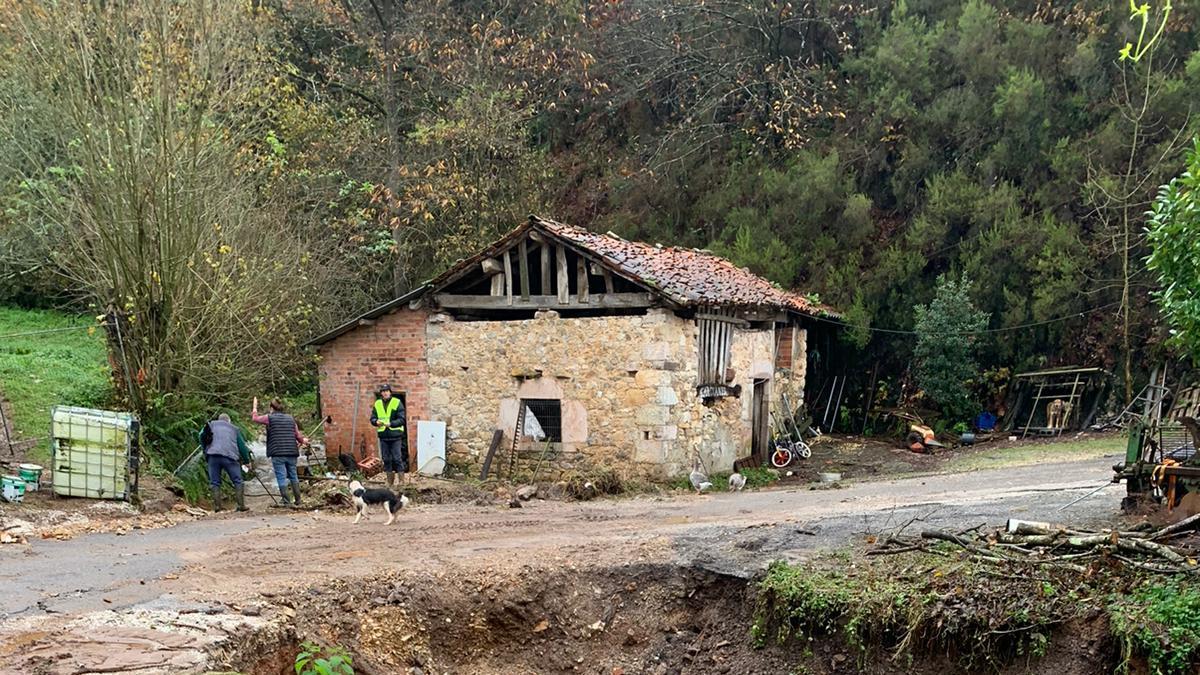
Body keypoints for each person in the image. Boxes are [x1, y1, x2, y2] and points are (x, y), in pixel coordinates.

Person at [252, 397, 308, 508]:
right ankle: (298, 500)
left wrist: (254, 407)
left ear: (271, 408)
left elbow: (255, 419)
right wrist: (303, 441)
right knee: (293, 476)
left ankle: (287, 501)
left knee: (281, 477)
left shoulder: (269, 418)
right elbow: (297, 435)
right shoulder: (291, 419)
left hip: (278, 453)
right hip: (292, 452)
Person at [198, 413, 251, 512]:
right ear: (229, 421)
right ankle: (241, 505)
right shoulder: (234, 429)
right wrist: (247, 461)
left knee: (214, 482)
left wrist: (205, 450)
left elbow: (201, 435)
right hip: (229, 457)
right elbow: (242, 446)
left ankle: (217, 507)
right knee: (238, 480)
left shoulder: (211, 425)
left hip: (213, 456)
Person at [370, 384, 407, 488]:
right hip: (383, 436)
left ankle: (401, 481)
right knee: (386, 459)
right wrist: (375, 421)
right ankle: (389, 481)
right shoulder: (377, 404)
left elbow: (402, 419)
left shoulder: (397, 402)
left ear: (390, 392)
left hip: (395, 435)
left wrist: (391, 424)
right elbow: (372, 418)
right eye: (383, 391)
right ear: (381, 393)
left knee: (397, 458)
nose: (385, 393)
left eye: (387, 391)